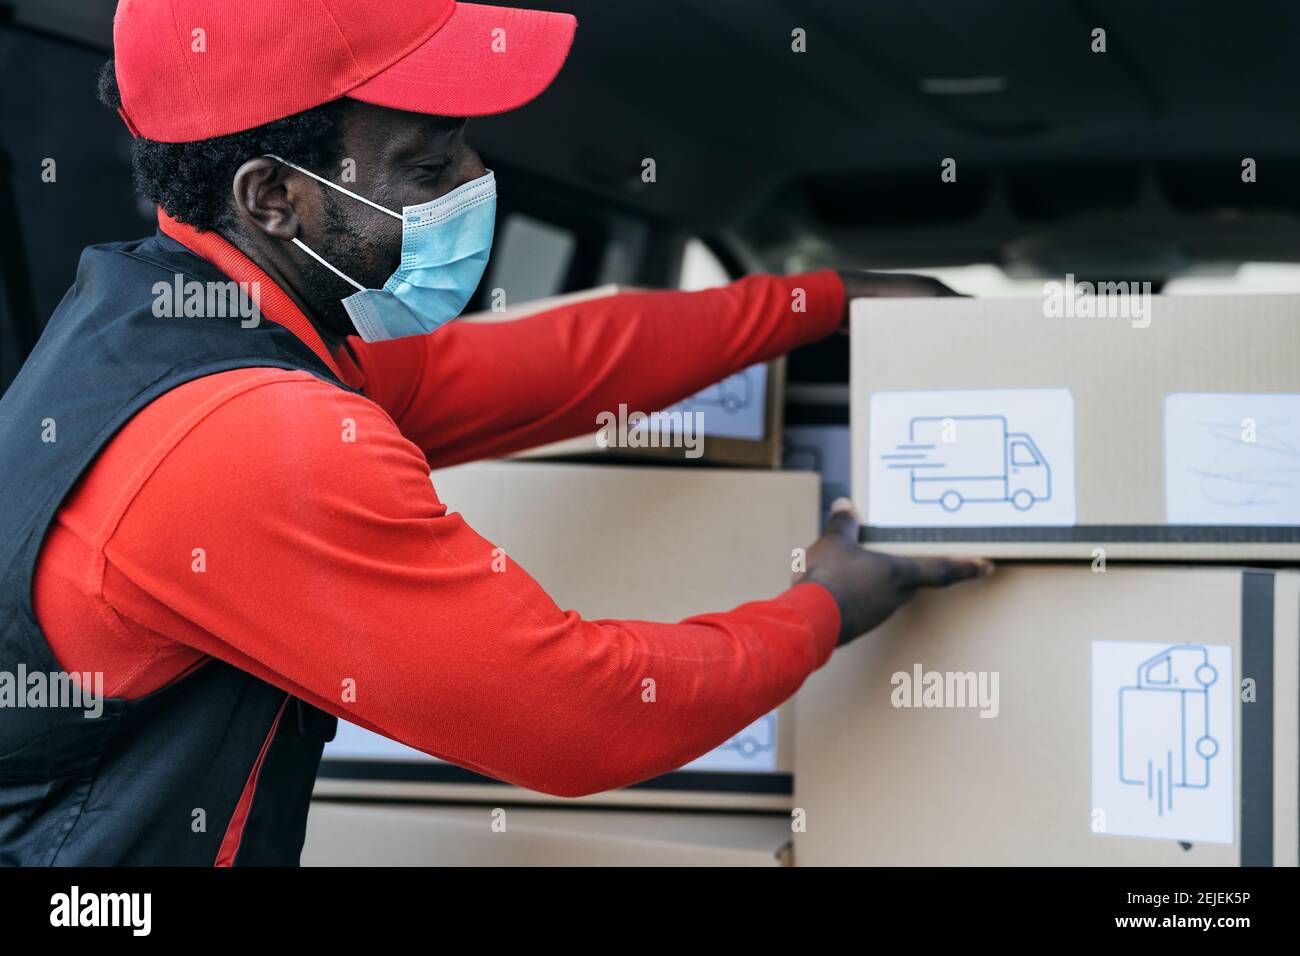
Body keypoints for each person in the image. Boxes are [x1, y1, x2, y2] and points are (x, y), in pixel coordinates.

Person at [0, 0, 988, 866]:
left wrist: (815, 299)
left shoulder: (183, 322)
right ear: (274, 198)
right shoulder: (249, 434)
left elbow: (554, 365)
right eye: (428, 165)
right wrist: (825, 603)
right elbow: (575, 714)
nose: (475, 177)